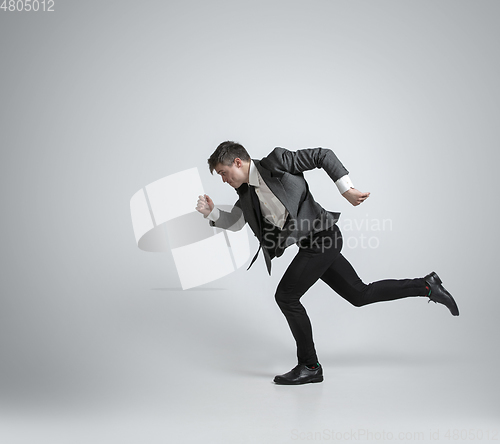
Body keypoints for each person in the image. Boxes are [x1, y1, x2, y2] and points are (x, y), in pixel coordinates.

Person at [195, 141, 459, 385]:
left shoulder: (276, 162)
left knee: (286, 297)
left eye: (223, 172)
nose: (223, 179)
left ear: (238, 162)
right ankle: (426, 286)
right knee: (360, 294)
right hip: (312, 244)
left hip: (324, 237)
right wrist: (213, 213)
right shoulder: (247, 195)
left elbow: (323, 156)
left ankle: (309, 366)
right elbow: (240, 222)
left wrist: (346, 189)